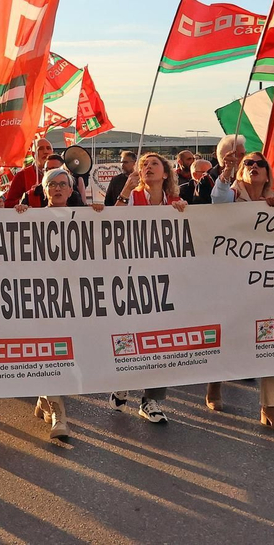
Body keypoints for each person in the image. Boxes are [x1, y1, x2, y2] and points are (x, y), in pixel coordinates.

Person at [15, 167, 104, 440]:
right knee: (47, 352)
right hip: (40, 298)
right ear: (44, 190)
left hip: (74, 299)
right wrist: (14, 217)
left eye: (62, 184)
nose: (57, 188)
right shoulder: (30, 217)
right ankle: (58, 412)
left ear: (71, 190)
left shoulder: (86, 217)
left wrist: (103, 214)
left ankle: (44, 398)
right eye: (51, 184)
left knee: (66, 353)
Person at [206, 151, 274, 431]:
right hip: (230, 278)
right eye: (248, 164)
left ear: (267, 172)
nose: (253, 167)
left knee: (272, 340)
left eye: (259, 164)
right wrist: (228, 168)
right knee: (227, 334)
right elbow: (217, 201)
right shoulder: (230, 194)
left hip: (265, 282)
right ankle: (214, 383)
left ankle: (272, 407)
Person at [107, 152, 187, 423]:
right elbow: (113, 222)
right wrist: (125, 191)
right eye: (143, 165)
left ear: (166, 173)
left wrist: (186, 213)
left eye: (154, 164)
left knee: (160, 339)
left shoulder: (175, 202)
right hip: (133, 278)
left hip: (165, 281)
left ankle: (151, 400)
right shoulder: (133, 197)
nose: (148, 167)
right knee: (131, 335)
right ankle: (123, 382)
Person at [209, 136, 245, 203]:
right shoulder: (206, 181)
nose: (245, 158)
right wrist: (227, 171)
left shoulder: (247, 179)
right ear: (227, 157)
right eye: (241, 155)